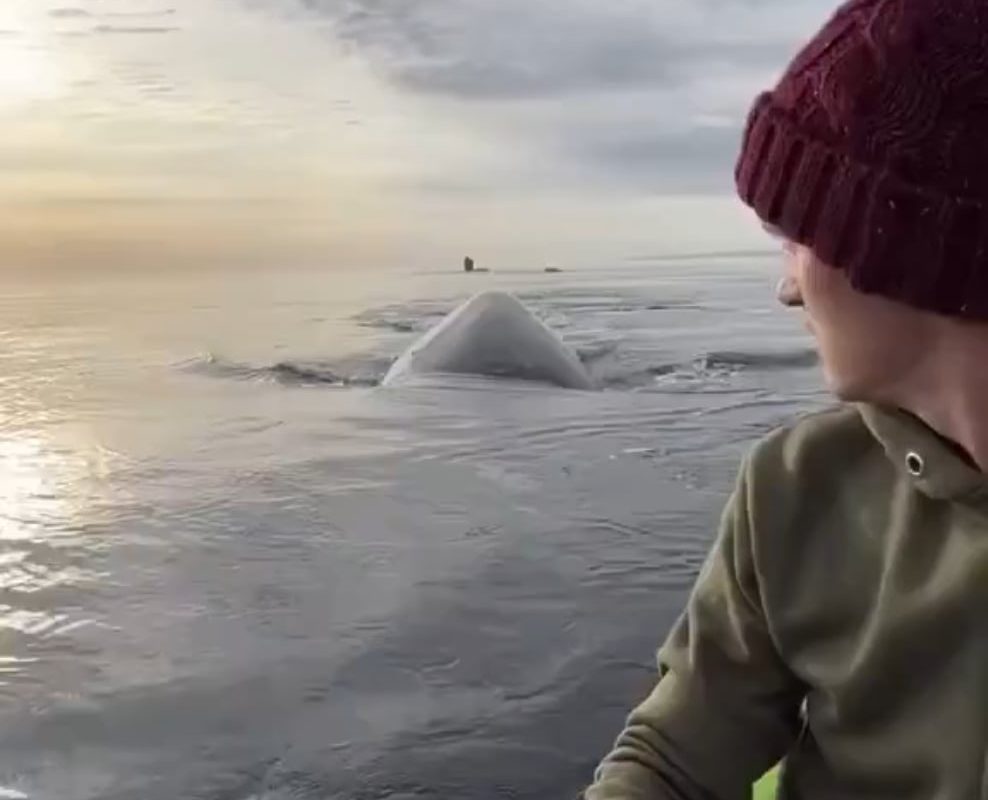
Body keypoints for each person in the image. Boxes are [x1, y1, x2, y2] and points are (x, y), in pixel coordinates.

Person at [584, 0, 988, 797]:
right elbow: (673, 756)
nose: (785, 288)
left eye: (798, 237)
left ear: (908, 251)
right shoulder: (795, 486)